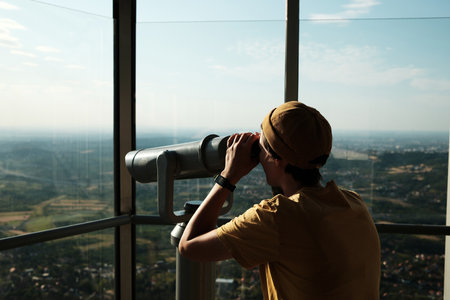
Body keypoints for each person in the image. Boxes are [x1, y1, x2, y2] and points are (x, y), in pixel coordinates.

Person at [179, 101, 381, 299]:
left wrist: (228, 176)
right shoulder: (353, 203)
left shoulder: (277, 217)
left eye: (261, 144)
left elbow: (189, 246)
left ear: (278, 158)